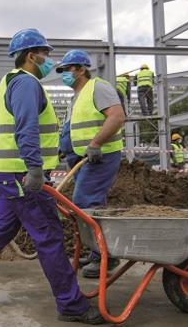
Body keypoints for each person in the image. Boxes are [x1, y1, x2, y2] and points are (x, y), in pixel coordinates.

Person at [0, 29, 103, 324]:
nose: (47, 60)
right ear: (32, 56)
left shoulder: (10, 82)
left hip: (9, 173)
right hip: (22, 175)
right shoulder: (27, 84)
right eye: (44, 54)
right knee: (49, 237)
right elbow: (26, 128)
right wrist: (35, 168)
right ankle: (71, 305)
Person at [57, 49, 125, 279]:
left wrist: (96, 143)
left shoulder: (98, 87)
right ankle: (99, 252)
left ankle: (106, 257)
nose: (64, 74)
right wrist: (63, 146)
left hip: (100, 156)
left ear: (81, 69)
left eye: (68, 69)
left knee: (84, 202)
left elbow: (116, 116)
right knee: (91, 204)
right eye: (62, 70)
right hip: (82, 158)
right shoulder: (78, 96)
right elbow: (76, 128)